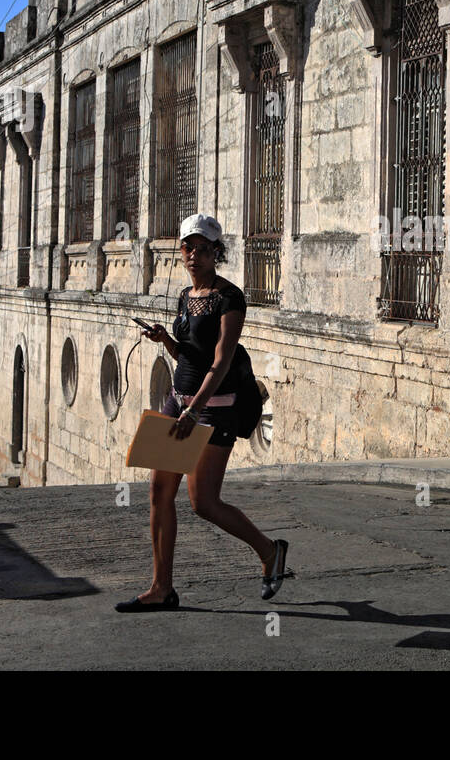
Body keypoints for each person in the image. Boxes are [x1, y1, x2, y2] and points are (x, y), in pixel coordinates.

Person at [115, 213, 288, 611]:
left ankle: (269, 551)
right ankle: (162, 588)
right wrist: (166, 342)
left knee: (204, 502)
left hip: (214, 410)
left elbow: (222, 360)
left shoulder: (229, 298)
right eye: (188, 248)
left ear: (216, 252)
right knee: (160, 493)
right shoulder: (184, 296)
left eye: (203, 249)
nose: (194, 255)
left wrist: (196, 409)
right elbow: (191, 356)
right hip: (180, 399)